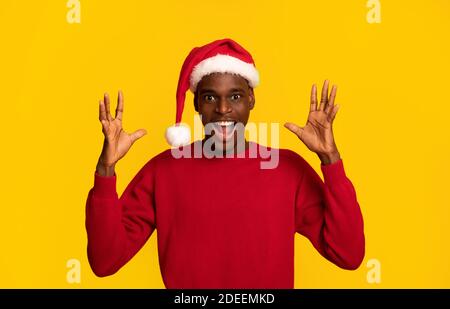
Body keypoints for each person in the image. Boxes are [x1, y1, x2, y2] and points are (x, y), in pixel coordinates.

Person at [86, 38, 365, 289]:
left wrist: (331, 160)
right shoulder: (162, 171)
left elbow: (348, 254)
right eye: (210, 97)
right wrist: (105, 170)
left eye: (235, 96)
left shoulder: (287, 169)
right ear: (196, 103)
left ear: (251, 99)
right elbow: (105, 262)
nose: (222, 109)